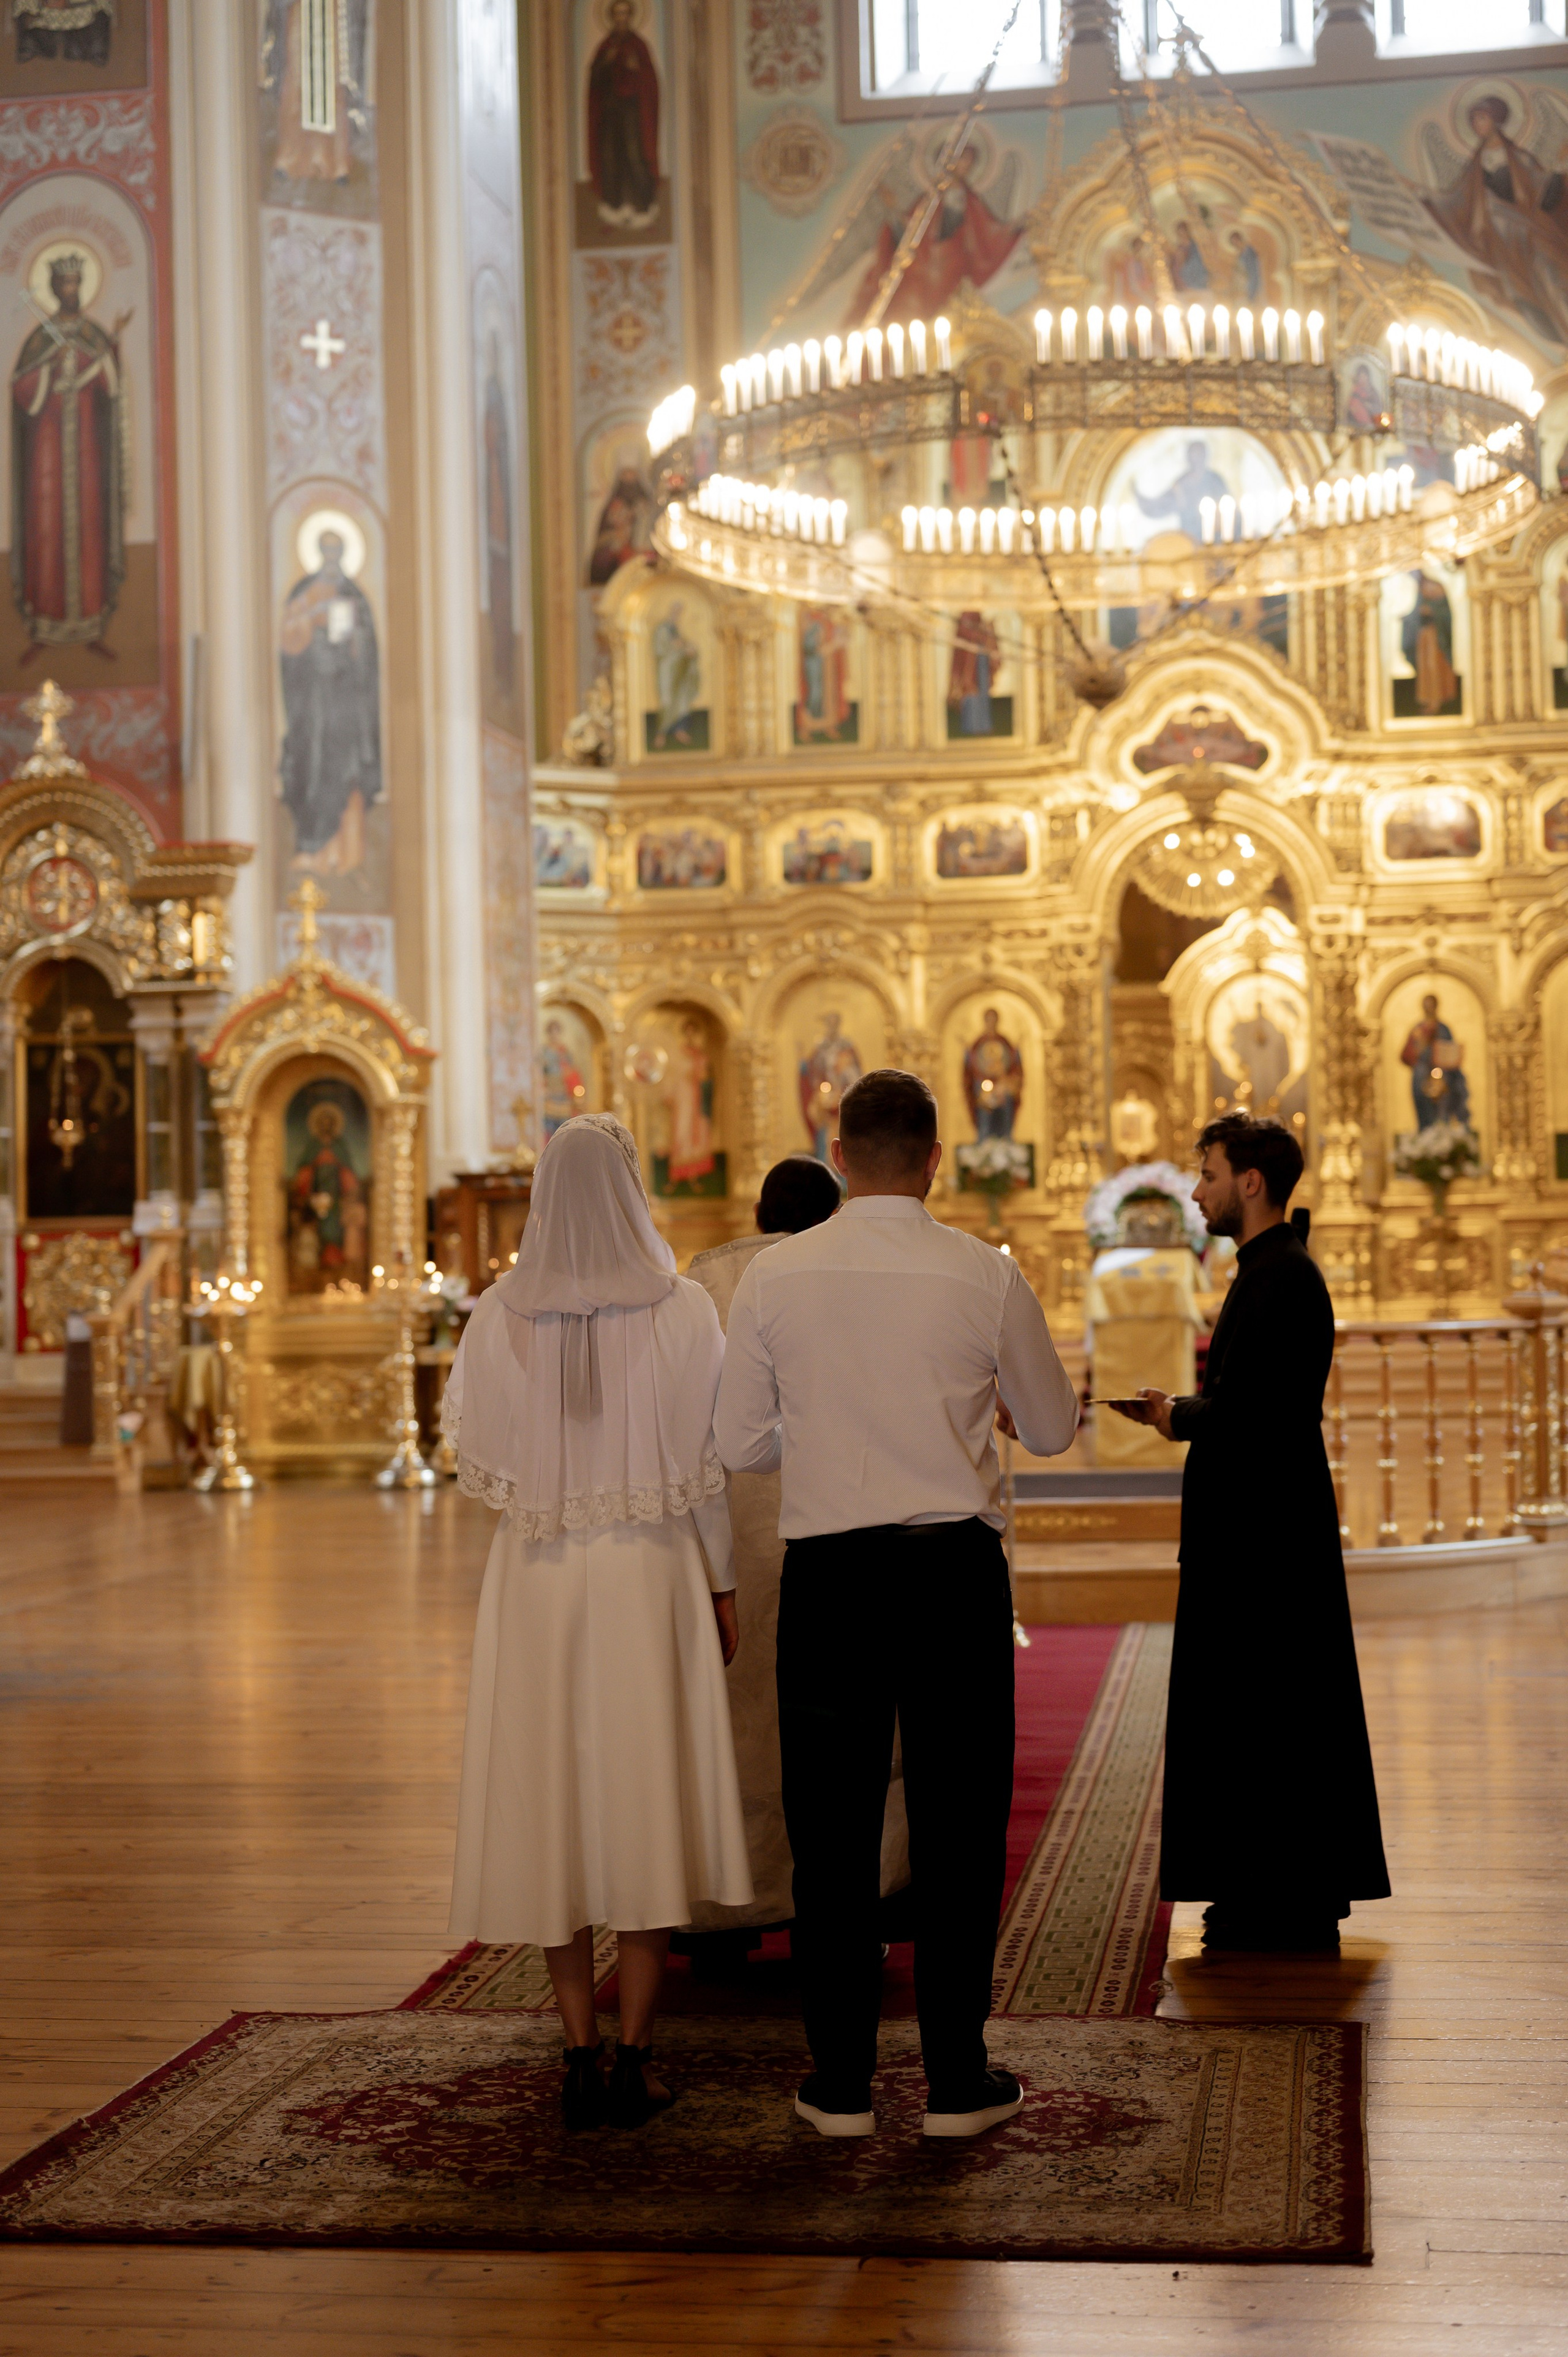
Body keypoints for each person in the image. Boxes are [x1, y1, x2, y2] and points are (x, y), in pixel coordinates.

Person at [715, 1069, 1080, 2140]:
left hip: (830, 1575)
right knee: (960, 1822)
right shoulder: (982, 1273)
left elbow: (738, 1445)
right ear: (935, 1159)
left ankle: (838, 2084)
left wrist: (824, 1442)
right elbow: (1052, 1431)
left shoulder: (775, 1278)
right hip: (952, 1573)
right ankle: (958, 2081)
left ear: (837, 1154)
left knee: (827, 1827)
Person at [443, 1115, 753, 2129]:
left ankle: (577, 2052)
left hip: (537, 1574)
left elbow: (480, 1463)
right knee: (643, 1794)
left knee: (557, 1803)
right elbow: (708, 1470)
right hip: (652, 1568)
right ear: (630, 1190)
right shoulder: (685, 1310)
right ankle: (634, 2053)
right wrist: (721, 1587)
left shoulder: (498, 1315)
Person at [1110, 1112, 1389, 1953]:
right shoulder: (1268, 1269)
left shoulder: (1279, 1278)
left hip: (1264, 1536)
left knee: (1271, 1709)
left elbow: (1259, 1411)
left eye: (1208, 1174)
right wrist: (1182, 1411)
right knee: (1262, 1710)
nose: (1196, 1192)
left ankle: (1283, 1894)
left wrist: (1178, 1416)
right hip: (1263, 1522)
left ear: (1251, 1182)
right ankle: (1267, 1888)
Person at [687, 1153, 914, 1952]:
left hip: (730, 1538)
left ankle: (728, 1911)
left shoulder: (702, 1288)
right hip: (842, 1528)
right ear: (834, 1212)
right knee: (853, 1725)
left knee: (737, 1721)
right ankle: (867, 1898)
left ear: (758, 1213)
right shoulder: (862, 1272)